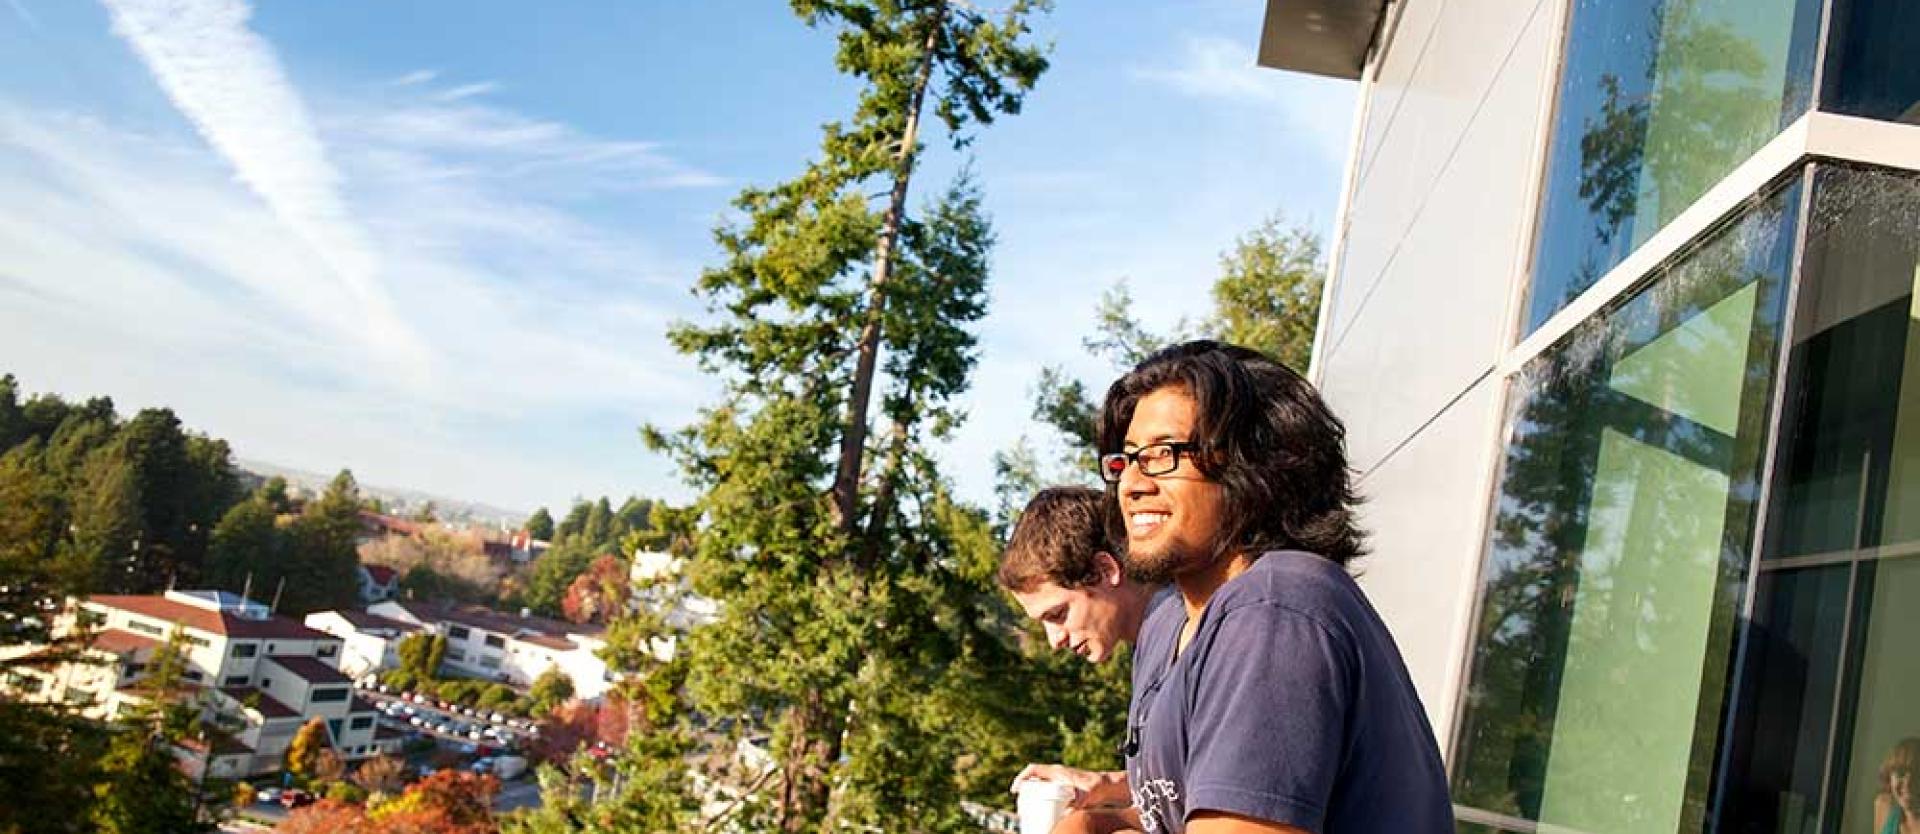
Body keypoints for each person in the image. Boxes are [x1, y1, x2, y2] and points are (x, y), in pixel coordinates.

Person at [1096, 340, 1452, 834]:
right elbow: (1185, 810)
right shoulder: (1170, 622)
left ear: (1255, 462)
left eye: (1162, 454)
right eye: (1127, 460)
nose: (1130, 484)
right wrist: (1095, 823)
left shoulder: (1273, 610)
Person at [998, 486, 1168, 829]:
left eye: (1058, 614)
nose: (1055, 640)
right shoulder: (1151, 649)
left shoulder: (1196, 639)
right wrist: (1102, 785)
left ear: (1106, 570)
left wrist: (1089, 825)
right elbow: (1184, 785)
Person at [1876, 738, 1920, 834]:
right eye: (1901, 773)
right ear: (1889, 777)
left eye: (1917, 774)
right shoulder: (1885, 809)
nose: (1908, 784)